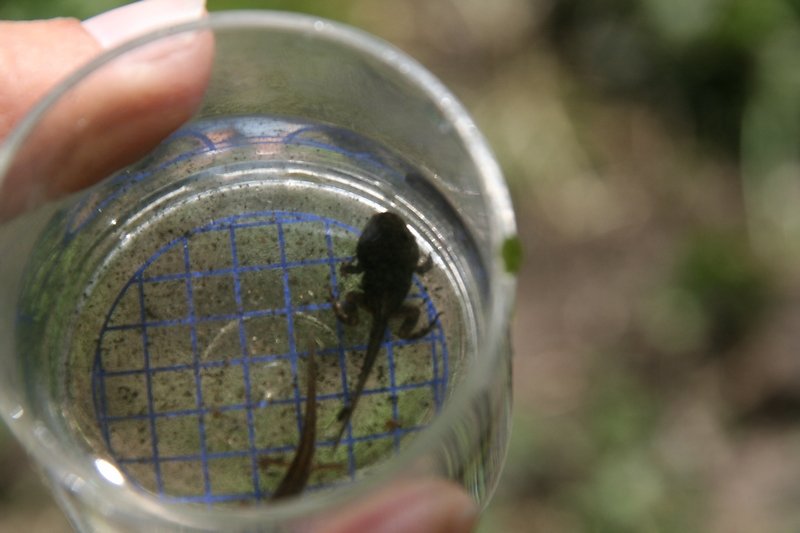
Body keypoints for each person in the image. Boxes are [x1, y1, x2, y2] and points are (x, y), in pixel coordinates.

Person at [0, 1, 478, 531]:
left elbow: (376, 265)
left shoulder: (383, 266)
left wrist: (349, 301)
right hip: (388, 297)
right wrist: (405, 310)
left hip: (380, 296)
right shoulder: (402, 266)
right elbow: (415, 261)